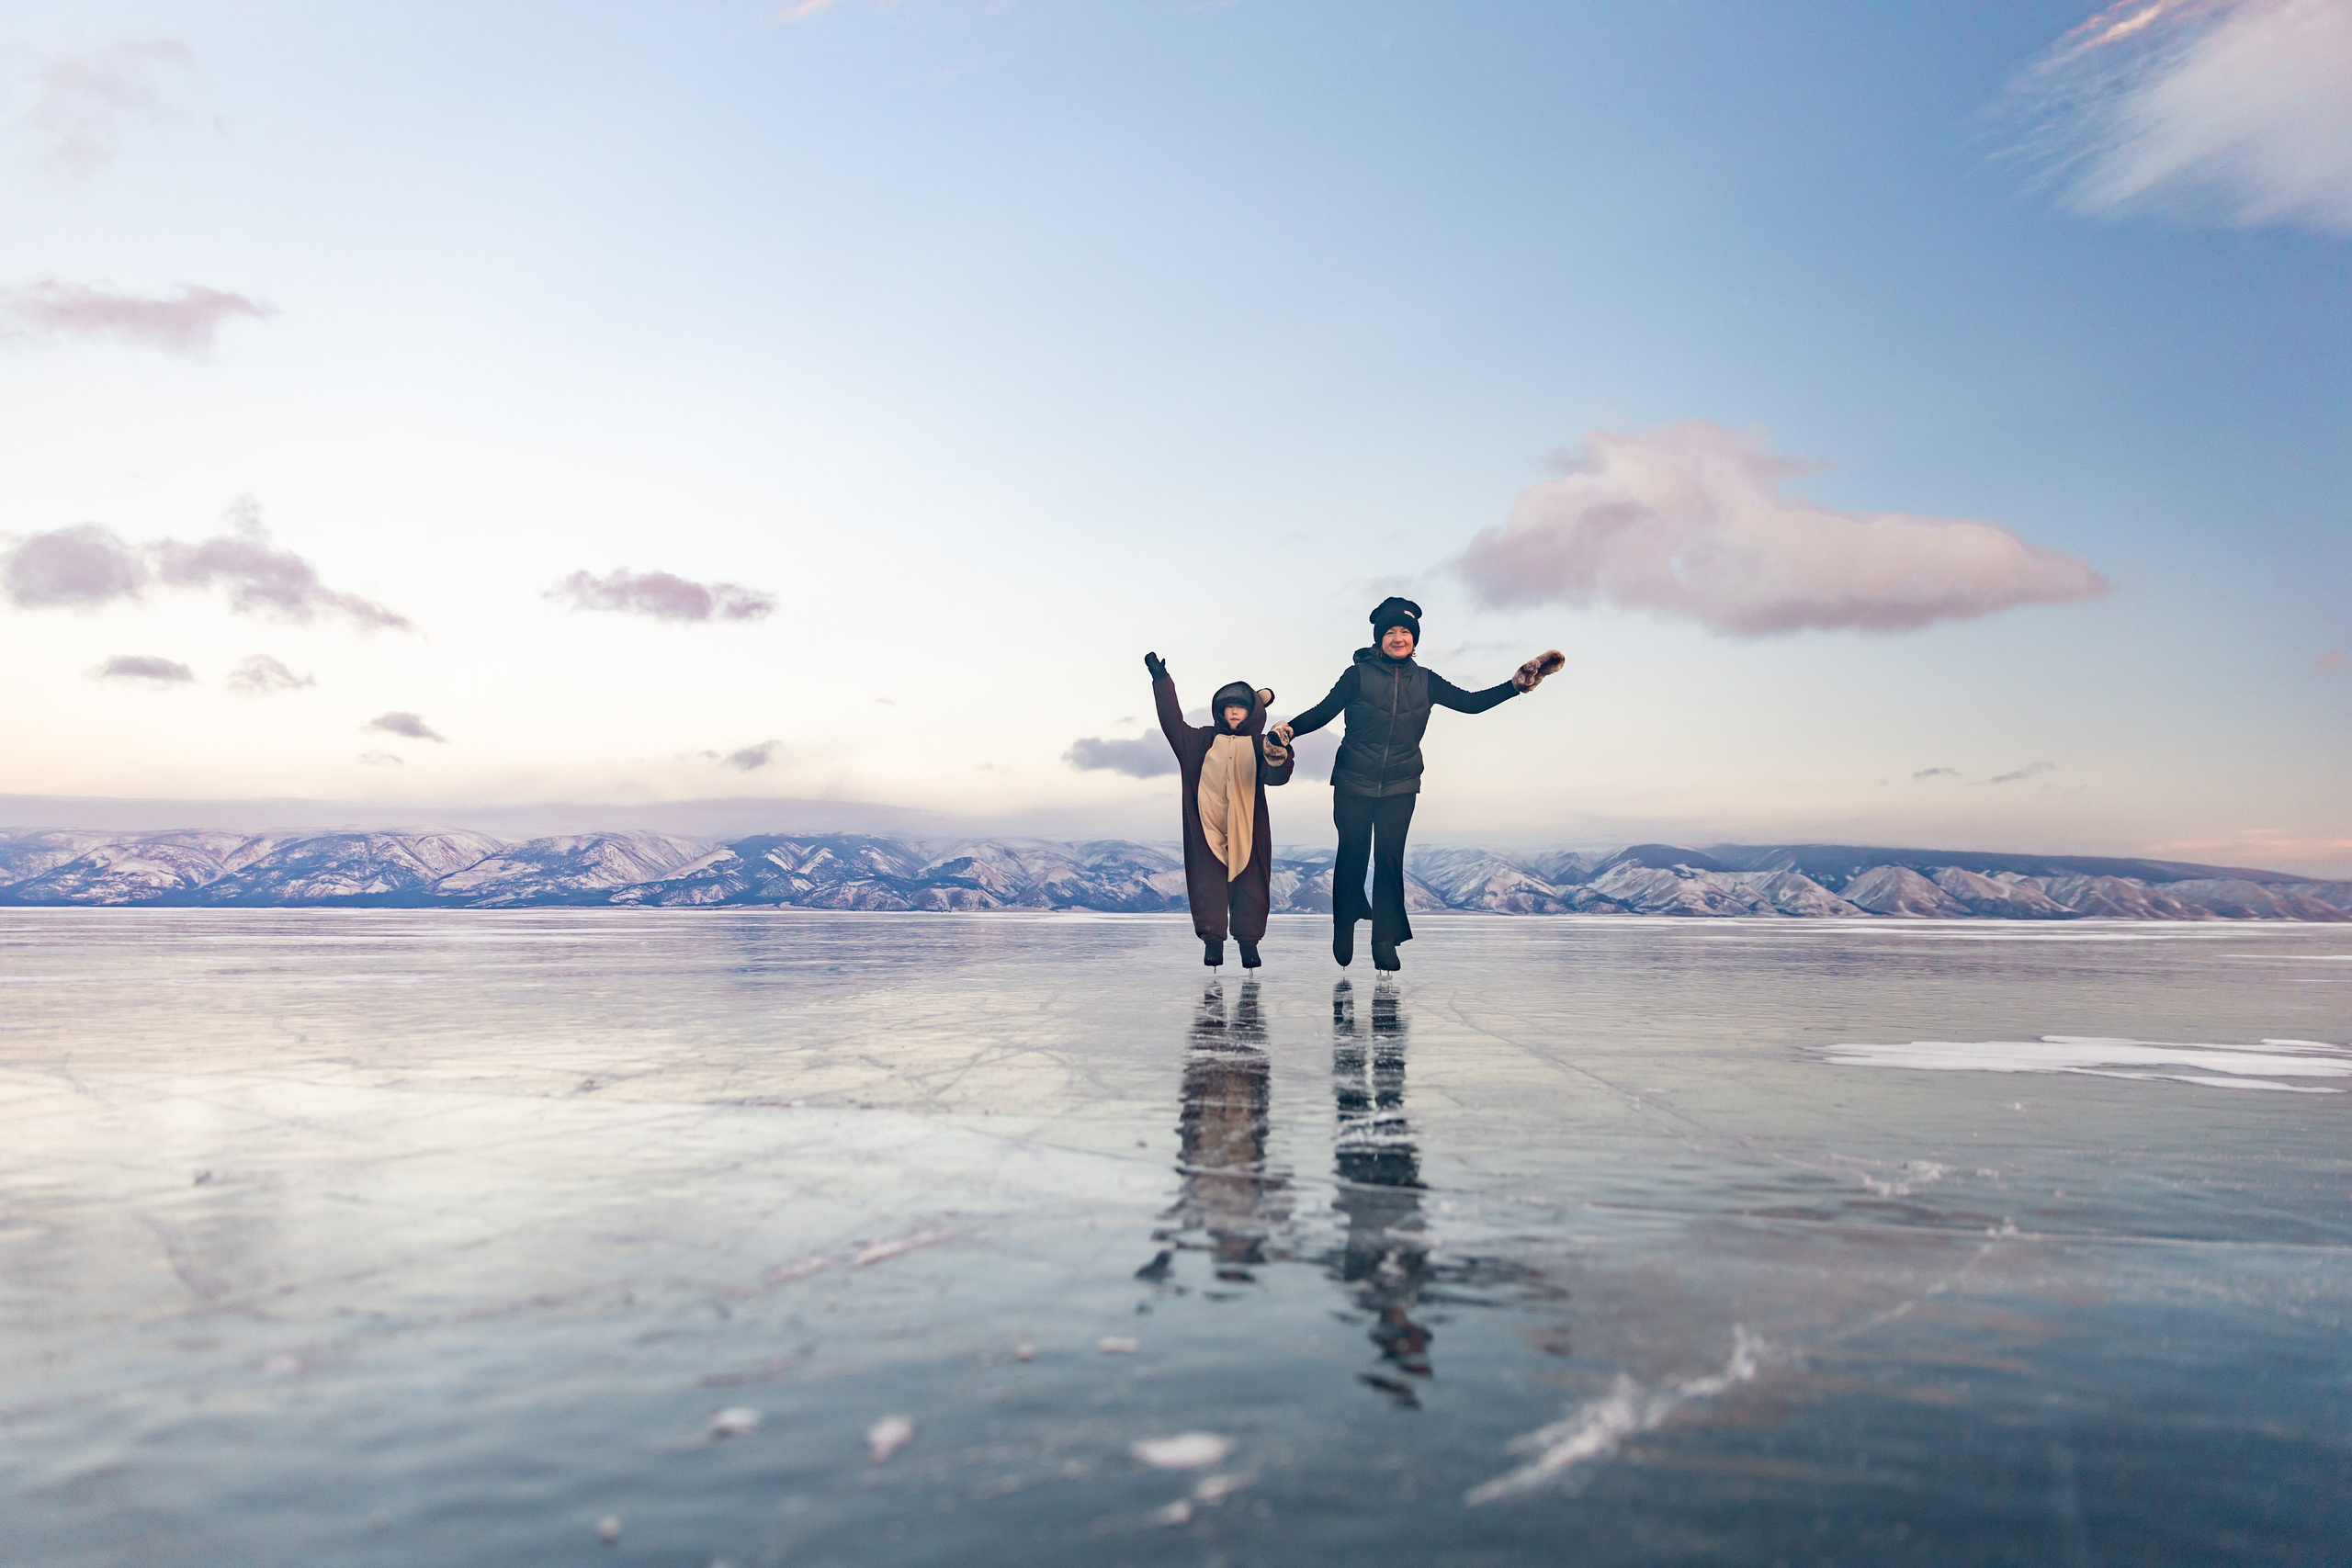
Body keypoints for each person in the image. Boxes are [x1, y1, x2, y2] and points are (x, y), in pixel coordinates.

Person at [1274, 598, 1561, 971]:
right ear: (1380, 639)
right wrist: (1289, 730)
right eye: (1391, 632)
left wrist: (1515, 686)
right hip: (1353, 780)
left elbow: (1471, 704)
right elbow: (1323, 711)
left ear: (1415, 640)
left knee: (1390, 858)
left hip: (1401, 782)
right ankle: (1344, 923)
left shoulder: (1426, 680)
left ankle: (1385, 940)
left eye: (1405, 632)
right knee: (1353, 853)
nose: (1398, 638)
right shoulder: (1357, 675)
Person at [1146, 653, 1295, 967]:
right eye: (1229, 707)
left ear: (1252, 712)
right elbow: (1172, 722)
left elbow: (1278, 777)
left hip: (1248, 826)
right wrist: (1162, 681)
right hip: (1206, 825)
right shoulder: (1199, 741)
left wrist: (1279, 754)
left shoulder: (1259, 744)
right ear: (1220, 711)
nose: (1234, 712)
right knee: (1207, 885)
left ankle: (1249, 944)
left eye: (1240, 707)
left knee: (1251, 884)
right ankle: (1212, 942)